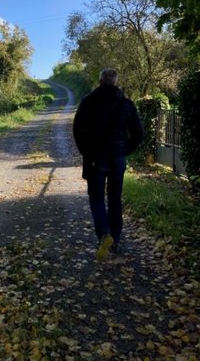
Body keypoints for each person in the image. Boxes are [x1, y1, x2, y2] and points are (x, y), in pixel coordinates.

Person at [73, 68, 143, 261]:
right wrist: (125, 150)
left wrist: (86, 152)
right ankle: (116, 240)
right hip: (118, 157)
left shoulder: (88, 102)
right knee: (114, 198)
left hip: (96, 158)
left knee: (96, 198)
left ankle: (104, 234)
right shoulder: (127, 104)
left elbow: (78, 130)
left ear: (100, 81)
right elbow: (139, 134)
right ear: (116, 82)